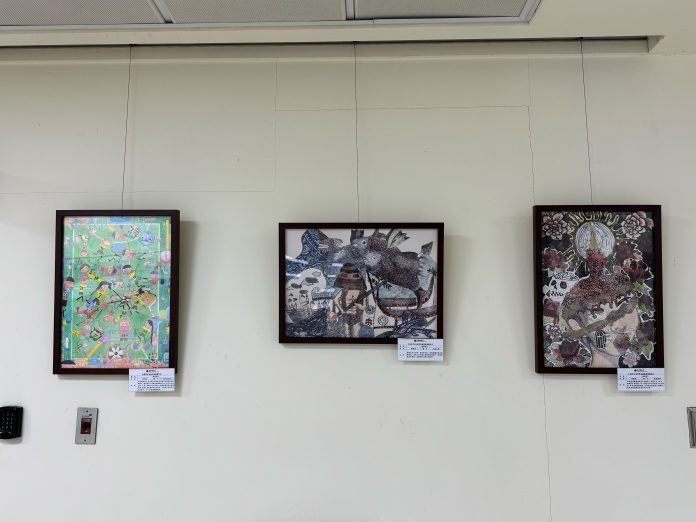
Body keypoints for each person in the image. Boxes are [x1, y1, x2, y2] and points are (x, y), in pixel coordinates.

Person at [332, 263, 367, 338]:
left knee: (356, 335)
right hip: (346, 315)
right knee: (346, 335)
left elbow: (364, 307)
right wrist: (341, 310)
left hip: (356, 316)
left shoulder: (361, 292)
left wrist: (357, 305)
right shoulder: (344, 291)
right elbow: (335, 299)